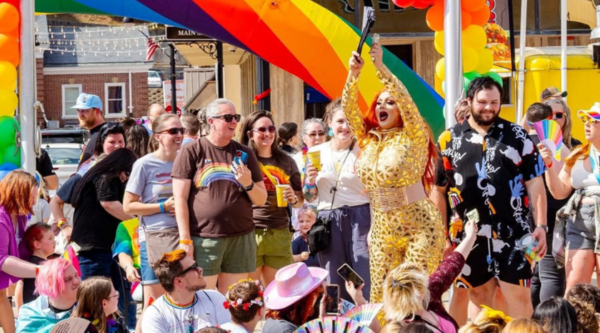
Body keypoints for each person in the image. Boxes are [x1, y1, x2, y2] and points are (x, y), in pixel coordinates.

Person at [433, 77, 548, 319]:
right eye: (482, 102)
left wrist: (541, 226)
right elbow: (438, 192)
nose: (489, 107)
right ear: (469, 101)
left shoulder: (518, 135)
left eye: (494, 102)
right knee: (478, 298)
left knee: (520, 298)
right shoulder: (448, 139)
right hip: (467, 236)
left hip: (517, 234)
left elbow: (535, 182)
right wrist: (442, 237)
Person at [342, 42, 443, 304]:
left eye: (390, 102)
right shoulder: (369, 139)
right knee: (380, 297)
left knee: (414, 296)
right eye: (379, 103)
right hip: (382, 230)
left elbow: (407, 101)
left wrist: (380, 68)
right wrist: (353, 75)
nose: (382, 106)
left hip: (419, 227)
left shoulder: (414, 135)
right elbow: (350, 110)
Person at [172, 98, 267, 294]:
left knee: (232, 301)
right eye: (228, 117)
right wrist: (185, 239)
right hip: (205, 238)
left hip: (240, 237)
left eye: (236, 117)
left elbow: (261, 199)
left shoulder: (245, 152)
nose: (234, 122)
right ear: (211, 121)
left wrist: (247, 182)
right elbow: (179, 198)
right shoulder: (192, 150)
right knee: (203, 298)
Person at [70, 149, 137, 328]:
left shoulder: (100, 176)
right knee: (93, 300)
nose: (127, 178)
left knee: (114, 296)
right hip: (93, 247)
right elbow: (108, 203)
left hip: (103, 246)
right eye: (128, 172)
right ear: (120, 167)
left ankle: (120, 327)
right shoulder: (105, 177)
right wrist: (137, 221)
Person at [538, 102, 600, 293]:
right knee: (574, 290)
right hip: (579, 223)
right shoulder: (578, 154)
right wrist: (548, 164)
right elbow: (559, 191)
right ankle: (574, 323)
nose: (587, 124)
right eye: (585, 119)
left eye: (593, 120)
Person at [123, 114, 181, 307]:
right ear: (157, 136)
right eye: (173, 131)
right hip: (155, 236)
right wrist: (164, 206)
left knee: (180, 297)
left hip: (184, 236)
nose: (179, 134)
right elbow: (129, 206)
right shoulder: (144, 164)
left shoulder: (187, 160)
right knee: (154, 302)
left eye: (181, 130)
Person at [240, 111, 303, 286]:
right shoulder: (243, 161)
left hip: (279, 233)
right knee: (250, 292)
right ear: (250, 134)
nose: (267, 133)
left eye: (271, 128)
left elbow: (299, 200)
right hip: (250, 232)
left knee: (280, 292)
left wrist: (293, 197)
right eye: (262, 129)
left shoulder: (286, 161)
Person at [381, 219, 478, 332]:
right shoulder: (400, 328)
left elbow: (452, 263)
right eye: (422, 286)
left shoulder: (429, 291)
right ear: (418, 294)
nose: (426, 287)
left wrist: (470, 237)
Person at [522, 103, 572, 308]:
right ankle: (549, 321)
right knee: (550, 272)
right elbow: (569, 177)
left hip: (527, 217)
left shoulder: (521, 145)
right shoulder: (556, 146)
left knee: (533, 272)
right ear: (549, 121)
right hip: (552, 217)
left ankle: (533, 318)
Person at [141, 250, 231, 333]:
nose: (200, 269)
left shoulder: (214, 298)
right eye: (194, 268)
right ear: (178, 281)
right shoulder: (155, 315)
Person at [0, 171, 41, 333]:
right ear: (17, 194)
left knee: (1, 296)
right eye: (31, 196)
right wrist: (41, 270)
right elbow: (2, 258)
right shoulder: (1, 218)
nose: (34, 201)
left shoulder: (20, 216)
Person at [16, 258, 80, 333]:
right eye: (68, 279)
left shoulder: (88, 305)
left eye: (76, 275)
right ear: (52, 286)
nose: (76, 281)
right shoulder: (29, 314)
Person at [262, 262, 329, 333]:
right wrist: (324, 324)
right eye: (315, 295)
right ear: (305, 300)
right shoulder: (286, 330)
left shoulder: (277, 319)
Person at [16, 223, 56, 312]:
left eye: (54, 238)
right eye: (50, 238)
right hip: (38, 311)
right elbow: (20, 284)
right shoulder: (35, 266)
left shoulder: (30, 263)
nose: (54, 241)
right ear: (37, 244)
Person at [72, 93, 106, 167]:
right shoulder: (93, 132)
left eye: (84, 110)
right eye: (78, 110)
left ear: (97, 111)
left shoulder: (105, 133)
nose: (80, 115)